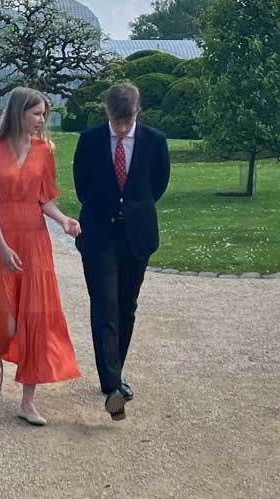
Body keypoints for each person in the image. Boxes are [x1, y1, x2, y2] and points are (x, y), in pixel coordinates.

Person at [0, 87, 81, 426]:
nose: (42, 120)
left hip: (35, 243)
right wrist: (2, 247)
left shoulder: (45, 150)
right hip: (1, 240)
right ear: (19, 113)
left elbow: (44, 199)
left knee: (35, 318)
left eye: (44, 114)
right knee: (6, 316)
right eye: (37, 113)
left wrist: (63, 220)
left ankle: (28, 401)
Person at [72, 82, 170, 421]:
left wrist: (133, 210)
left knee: (127, 306)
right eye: (117, 121)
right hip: (99, 236)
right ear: (107, 113)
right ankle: (112, 383)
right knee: (105, 306)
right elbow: (82, 185)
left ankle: (114, 373)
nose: (122, 127)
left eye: (127, 121)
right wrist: (106, 209)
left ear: (137, 112)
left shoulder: (155, 142)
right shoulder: (90, 140)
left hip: (136, 235)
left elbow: (158, 185)